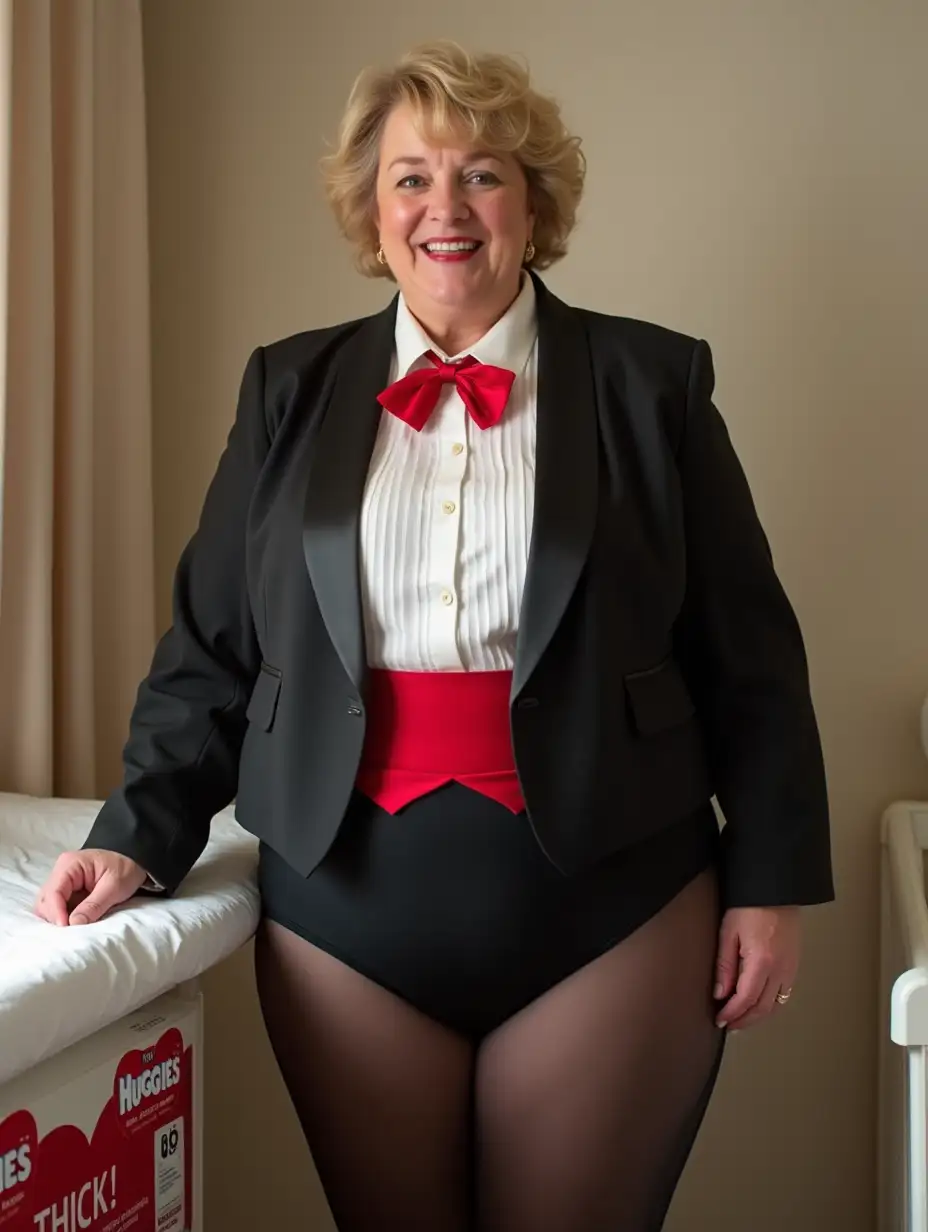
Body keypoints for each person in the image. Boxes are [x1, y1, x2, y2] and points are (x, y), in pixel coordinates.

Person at [35, 41, 834, 1232]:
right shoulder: (286, 389)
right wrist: (135, 836)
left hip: (614, 906)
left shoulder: (649, 383)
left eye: (481, 175)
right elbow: (211, 646)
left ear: (534, 200)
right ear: (372, 206)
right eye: (411, 177)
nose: (444, 209)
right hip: (342, 918)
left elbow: (749, 653)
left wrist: (769, 881)